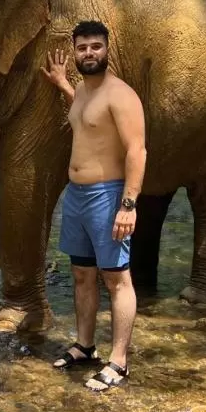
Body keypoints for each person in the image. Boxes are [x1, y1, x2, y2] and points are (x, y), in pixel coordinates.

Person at [41, 20, 147, 391]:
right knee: (82, 274)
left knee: (117, 280)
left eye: (96, 47)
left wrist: (128, 204)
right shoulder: (85, 92)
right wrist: (63, 85)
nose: (89, 53)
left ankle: (118, 361)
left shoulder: (121, 95)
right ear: (75, 52)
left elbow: (137, 149)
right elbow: (87, 120)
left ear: (107, 49)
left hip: (108, 196)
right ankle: (85, 346)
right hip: (77, 197)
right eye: (83, 47)